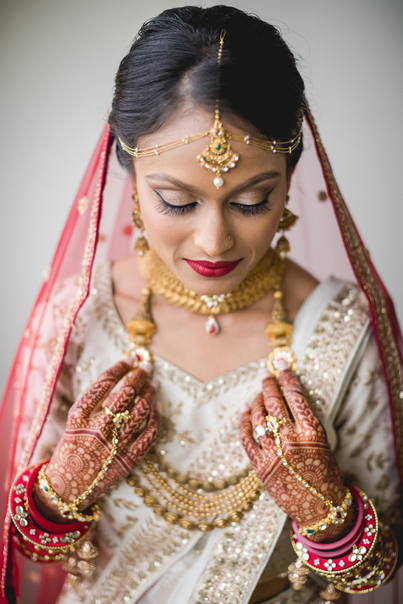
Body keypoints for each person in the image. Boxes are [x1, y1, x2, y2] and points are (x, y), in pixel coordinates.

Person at [1, 6, 402, 604]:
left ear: (290, 178)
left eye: (251, 201)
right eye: (176, 201)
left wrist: (328, 512)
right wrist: (62, 489)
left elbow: (381, 571)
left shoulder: (341, 330)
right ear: (130, 177)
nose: (214, 242)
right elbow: (26, 551)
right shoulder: (78, 317)